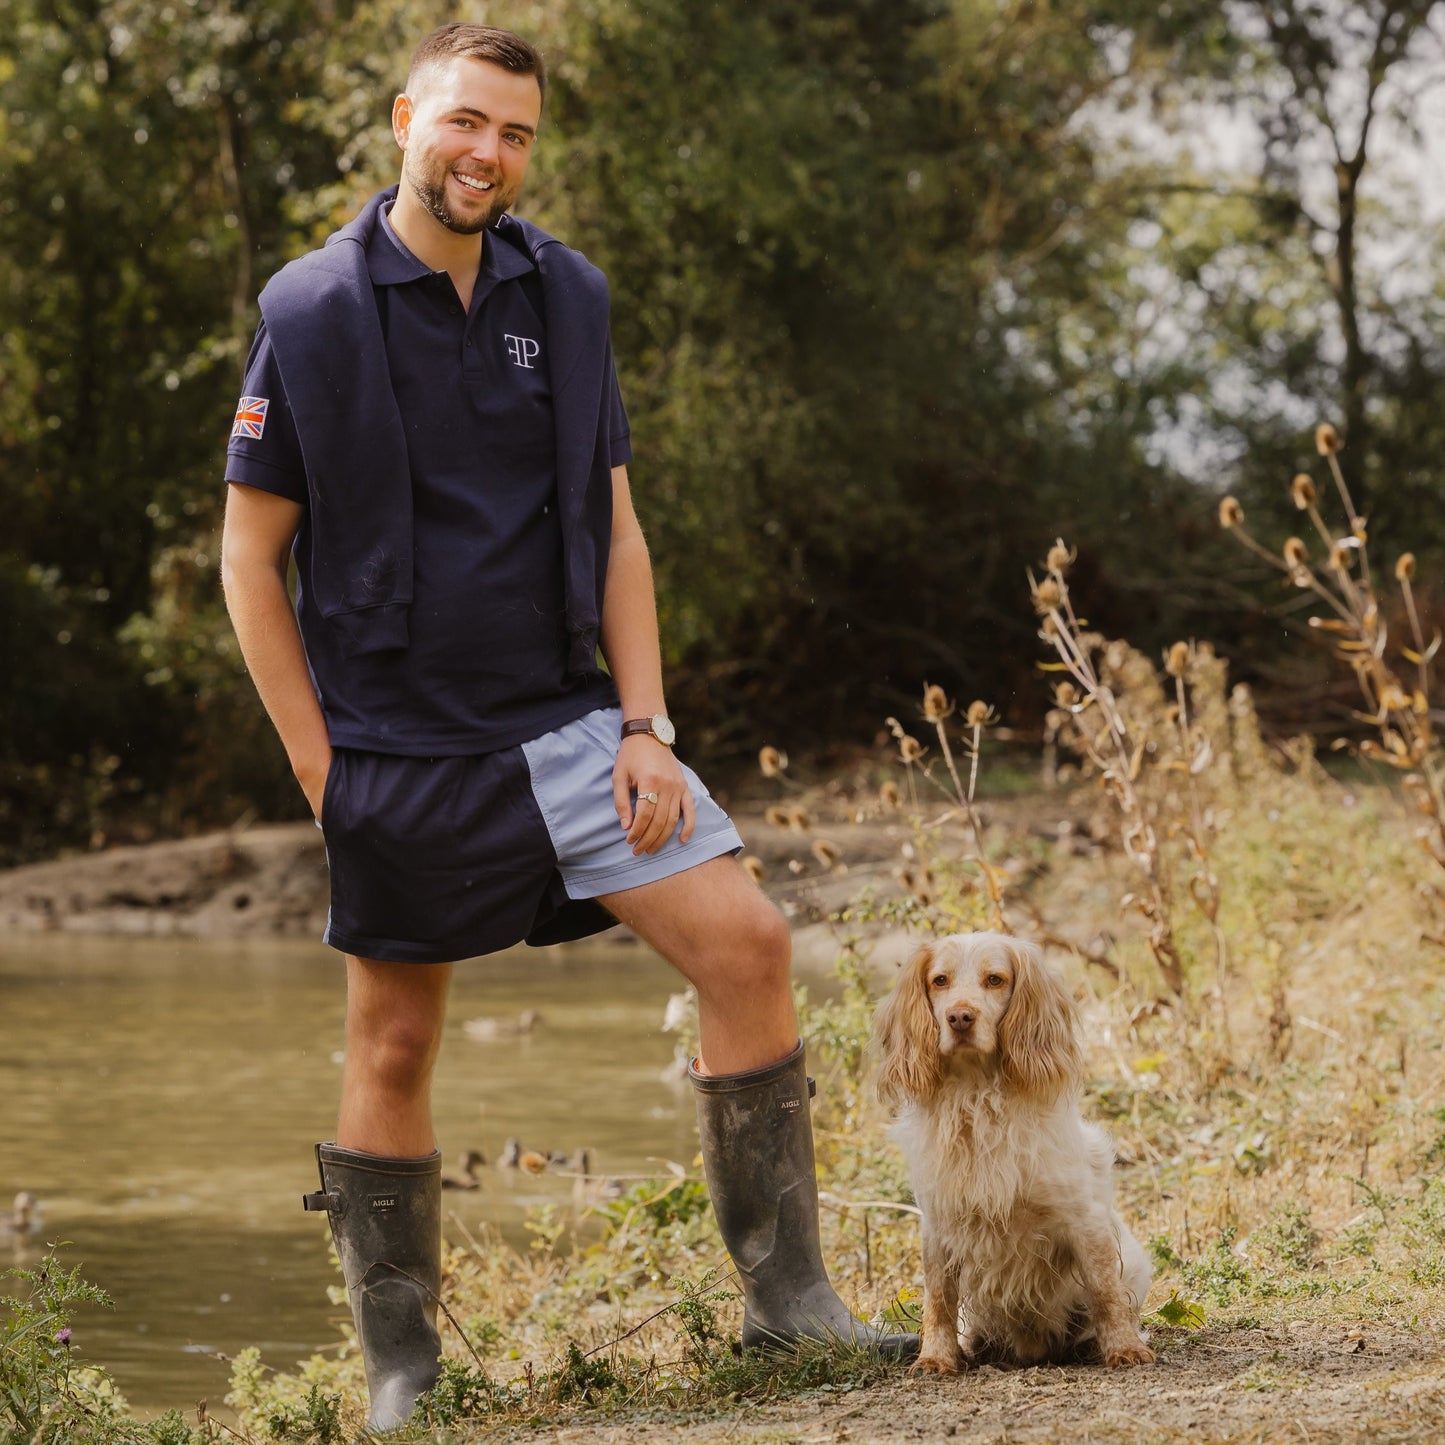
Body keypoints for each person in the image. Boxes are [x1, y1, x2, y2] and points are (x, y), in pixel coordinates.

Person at [220, 22, 917, 1429]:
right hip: (398, 746)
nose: (487, 153)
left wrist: (644, 721)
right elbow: (247, 558)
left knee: (749, 942)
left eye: (516, 134)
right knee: (396, 1047)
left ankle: (789, 1312)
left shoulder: (569, 294)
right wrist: (315, 757)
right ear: (408, 116)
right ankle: (403, 1369)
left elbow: (614, 530)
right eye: (466, 122)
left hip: (569, 732)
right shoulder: (308, 310)